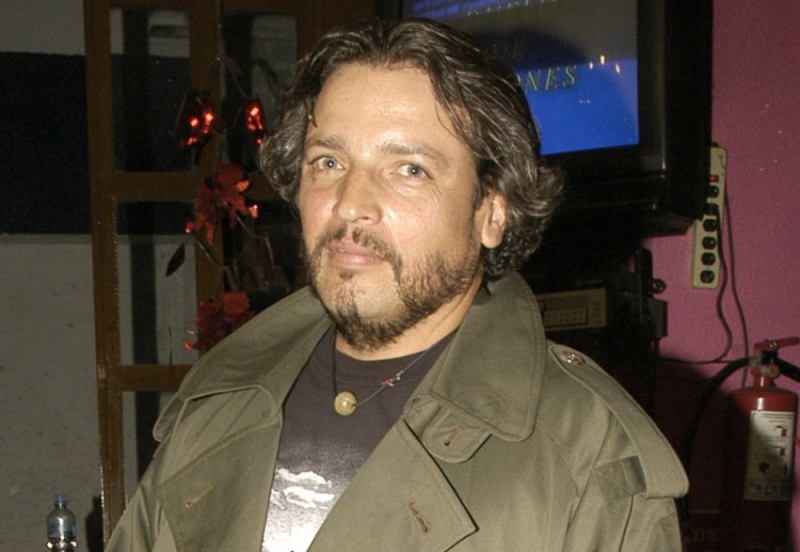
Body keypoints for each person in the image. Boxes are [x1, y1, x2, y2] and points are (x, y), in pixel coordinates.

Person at [107, 17, 688, 552]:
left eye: (409, 169)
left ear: (492, 212)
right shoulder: (217, 405)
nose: (349, 203)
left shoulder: (588, 456)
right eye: (328, 162)